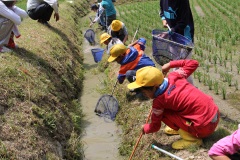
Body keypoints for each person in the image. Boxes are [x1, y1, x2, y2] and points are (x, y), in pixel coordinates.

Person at [127, 60, 220, 150]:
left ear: (155, 87)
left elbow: (155, 126)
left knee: (163, 114)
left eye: (144, 92)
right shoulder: (174, 76)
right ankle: (183, 129)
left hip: (204, 128)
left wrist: (146, 128)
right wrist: (170, 64)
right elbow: (193, 63)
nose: (145, 95)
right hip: (214, 114)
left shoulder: (159, 102)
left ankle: (192, 140)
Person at [159, 0, 194, 85]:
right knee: (175, 63)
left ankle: (190, 89)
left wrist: (169, 32)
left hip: (184, 37)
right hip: (173, 36)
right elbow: (161, 11)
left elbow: (183, 22)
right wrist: (163, 19)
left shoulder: (182, 1)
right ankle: (178, 87)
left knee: (184, 69)